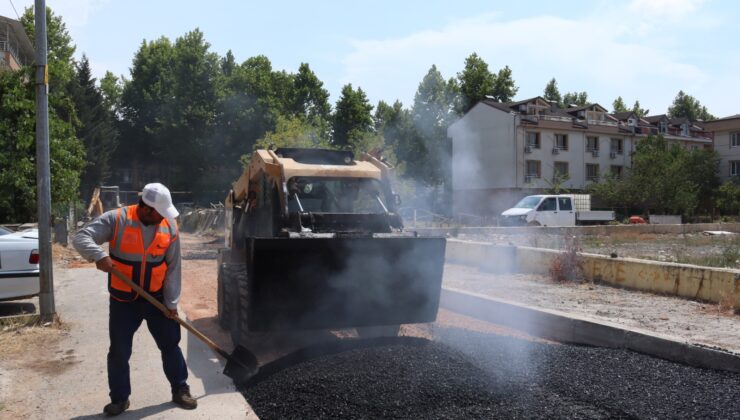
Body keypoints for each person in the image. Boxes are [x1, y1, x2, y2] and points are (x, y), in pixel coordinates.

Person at [72, 183, 197, 416]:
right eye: (159, 213)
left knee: (171, 345)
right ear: (147, 208)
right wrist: (98, 255)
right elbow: (81, 237)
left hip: (156, 298)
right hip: (123, 301)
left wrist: (171, 304)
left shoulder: (169, 225)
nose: (163, 217)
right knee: (119, 351)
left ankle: (180, 389)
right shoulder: (117, 219)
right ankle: (120, 399)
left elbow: (173, 268)